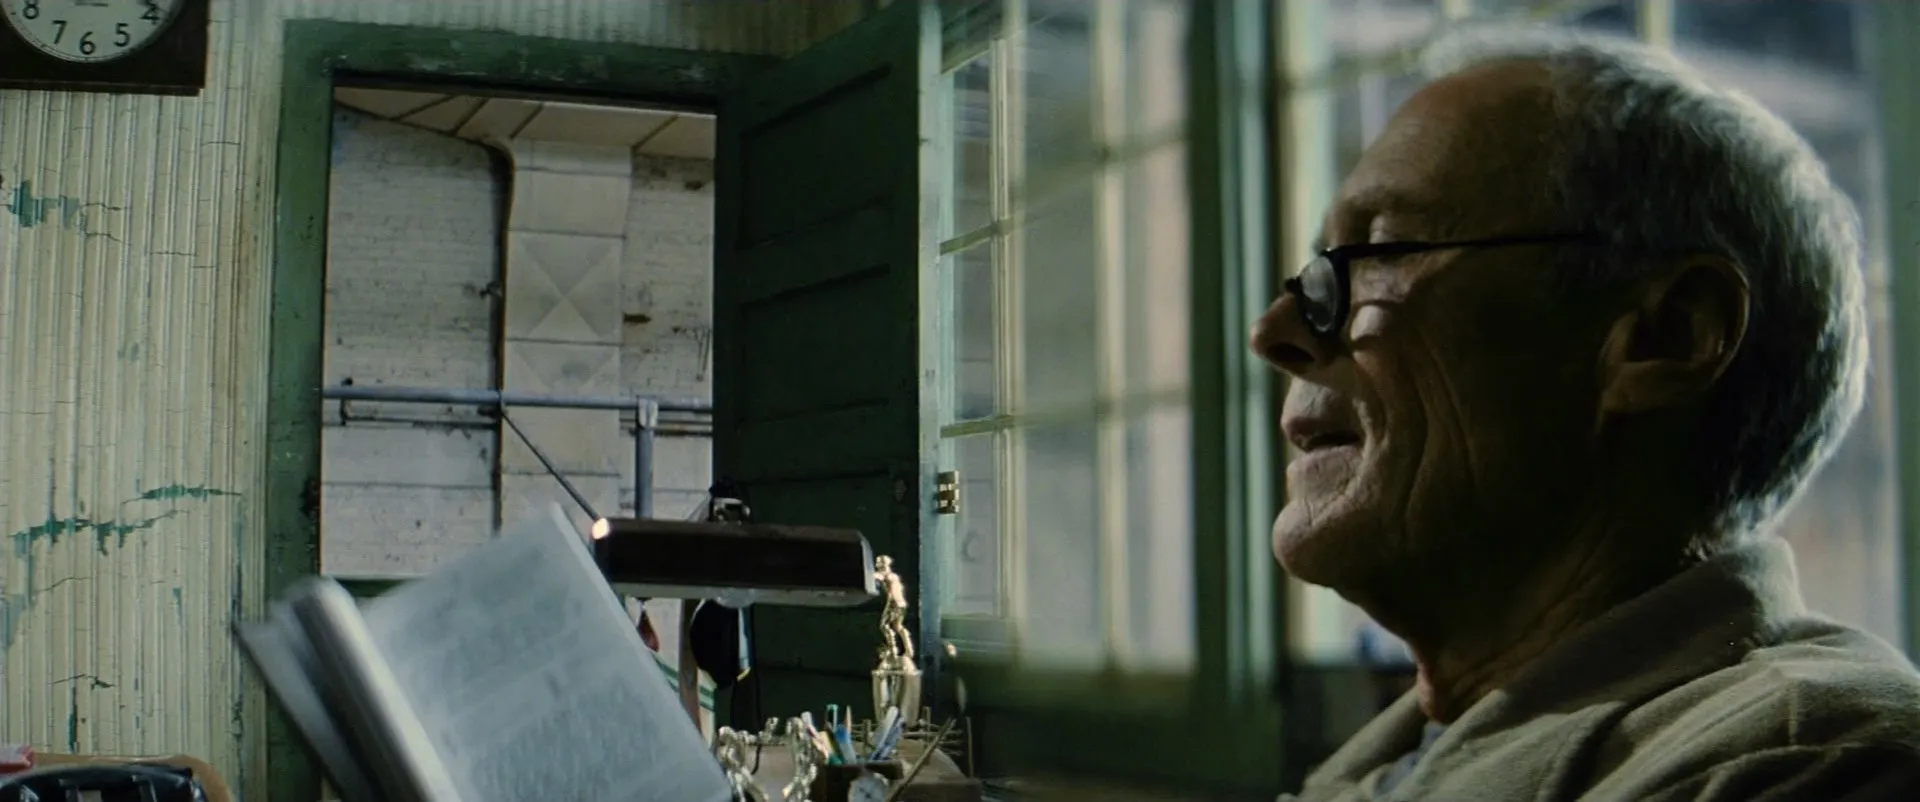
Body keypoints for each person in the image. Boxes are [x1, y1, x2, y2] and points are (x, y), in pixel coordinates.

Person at [1251, 25, 1920, 802]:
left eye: (1382, 253)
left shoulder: (1809, 761)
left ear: (1667, 335)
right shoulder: (1397, 755)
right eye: (1315, 274)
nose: (1277, 332)